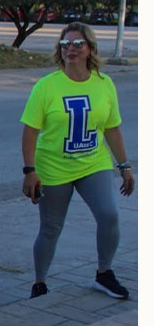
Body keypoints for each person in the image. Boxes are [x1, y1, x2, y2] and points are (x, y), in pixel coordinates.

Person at [21, 23, 135, 300]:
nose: (70, 49)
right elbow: (30, 131)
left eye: (77, 44)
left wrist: (125, 165)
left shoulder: (104, 84)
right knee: (51, 227)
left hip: (93, 163)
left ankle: (104, 274)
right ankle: (40, 283)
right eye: (65, 44)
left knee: (109, 215)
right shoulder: (46, 86)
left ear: (90, 49)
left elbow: (112, 128)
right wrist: (30, 171)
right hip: (53, 167)